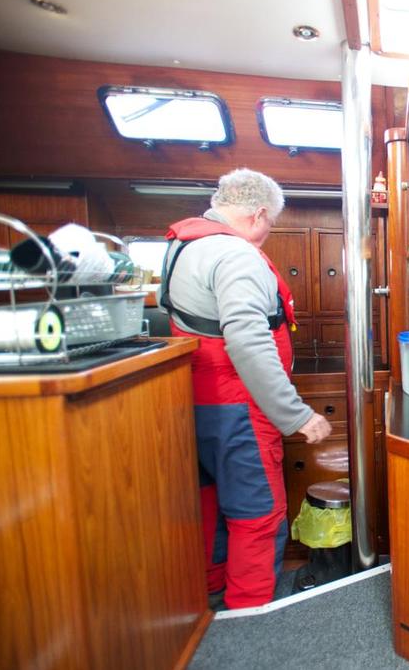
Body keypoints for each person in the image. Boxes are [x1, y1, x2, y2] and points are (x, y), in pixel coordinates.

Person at [159, 168, 332, 610]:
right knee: (257, 514)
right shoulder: (236, 256)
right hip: (237, 405)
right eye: (270, 225)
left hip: (195, 401)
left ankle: (215, 595)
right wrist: (295, 414)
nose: (267, 235)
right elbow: (248, 340)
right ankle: (252, 614)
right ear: (258, 214)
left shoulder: (184, 247)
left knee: (213, 505)